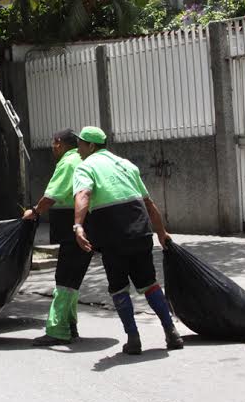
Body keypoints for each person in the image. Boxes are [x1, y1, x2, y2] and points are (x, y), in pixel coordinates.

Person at [71, 126, 184, 355]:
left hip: (113, 234)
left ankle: (133, 338)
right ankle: (171, 331)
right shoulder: (126, 164)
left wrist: (78, 225)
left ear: (91, 146)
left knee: (118, 287)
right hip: (140, 230)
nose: (78, 148)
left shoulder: (86, 167)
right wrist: (161, 232)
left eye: (81, 143)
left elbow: (83, 194)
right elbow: (148, 203)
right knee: (150, 283)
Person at [23, 129, 94, 346]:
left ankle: (58, 330)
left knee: (64, 278)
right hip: (89, 225)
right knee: (73, 279)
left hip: (72, 227)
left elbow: (51, 196)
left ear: (59, 143)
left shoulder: (67, 163)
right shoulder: (85, 160)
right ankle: (70, 325)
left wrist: (34, 212)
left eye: (54, 144)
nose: (53, 148)